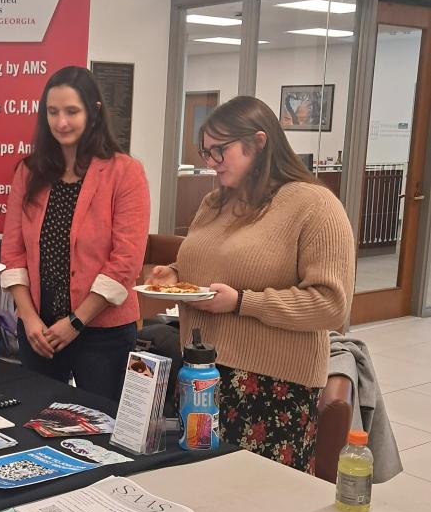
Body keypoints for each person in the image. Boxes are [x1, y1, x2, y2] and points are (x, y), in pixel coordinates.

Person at [148, 95, 355, 474]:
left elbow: (331, 305)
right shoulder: (216, 202)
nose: (211, 163)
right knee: (200, 486)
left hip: (271, 387)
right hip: (203, 374)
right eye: (205, 152)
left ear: (259, 143)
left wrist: (244, 302)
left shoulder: (314, 205)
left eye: (220, 151)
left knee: (255, 502)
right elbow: (206, 260)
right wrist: (175, 274)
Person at [0, 65, 149, 402]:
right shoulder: (28, 172)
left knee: (101, 435)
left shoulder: (125, 172)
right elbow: (12, 253)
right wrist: (29, 319)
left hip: (102, 334)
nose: (61, 122)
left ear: (94, 111)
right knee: (34, 424)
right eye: (53, 112)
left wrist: (75, 323)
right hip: (39, 333)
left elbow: (125, 262)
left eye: (71, 111)